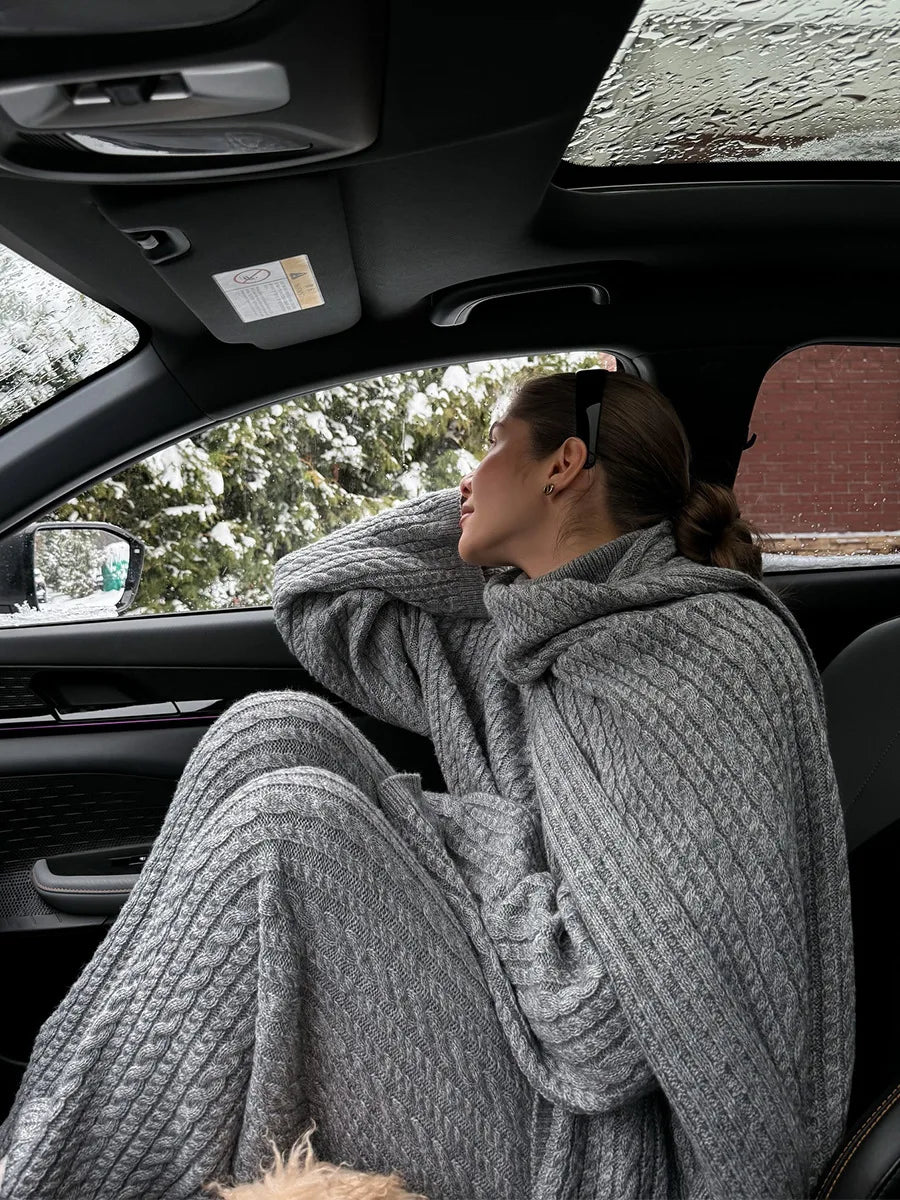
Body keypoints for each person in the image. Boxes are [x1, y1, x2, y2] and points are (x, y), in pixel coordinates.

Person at [0, 369, 853, 1200]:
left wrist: (462, 830)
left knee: (286, 829)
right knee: (271, 730)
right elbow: (319, 594)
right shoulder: (535, 637)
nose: (463, 480)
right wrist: (507, 532)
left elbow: (603, 1031)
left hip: (615, 1144)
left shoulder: (710, 660)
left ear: (563, 464)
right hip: (525, 1024)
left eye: (491, 446)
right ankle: (33, 1150)